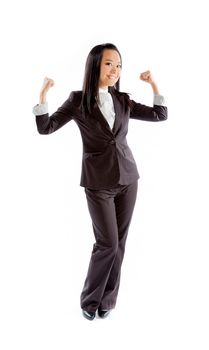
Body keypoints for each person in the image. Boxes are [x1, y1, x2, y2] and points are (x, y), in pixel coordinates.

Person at [32, 43, 167, 321]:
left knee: (120, 243)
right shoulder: (78, 100)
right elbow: (46, 128)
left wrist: (153, 84)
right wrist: (43, 96)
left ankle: (108, 300)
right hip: (98, 183)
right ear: (95, 65)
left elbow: (160, 115)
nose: (115, 70)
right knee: (107, 243)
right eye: (108, 64)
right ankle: (90, 300)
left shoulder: (123, 100)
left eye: (118, 65)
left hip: (129, 178)